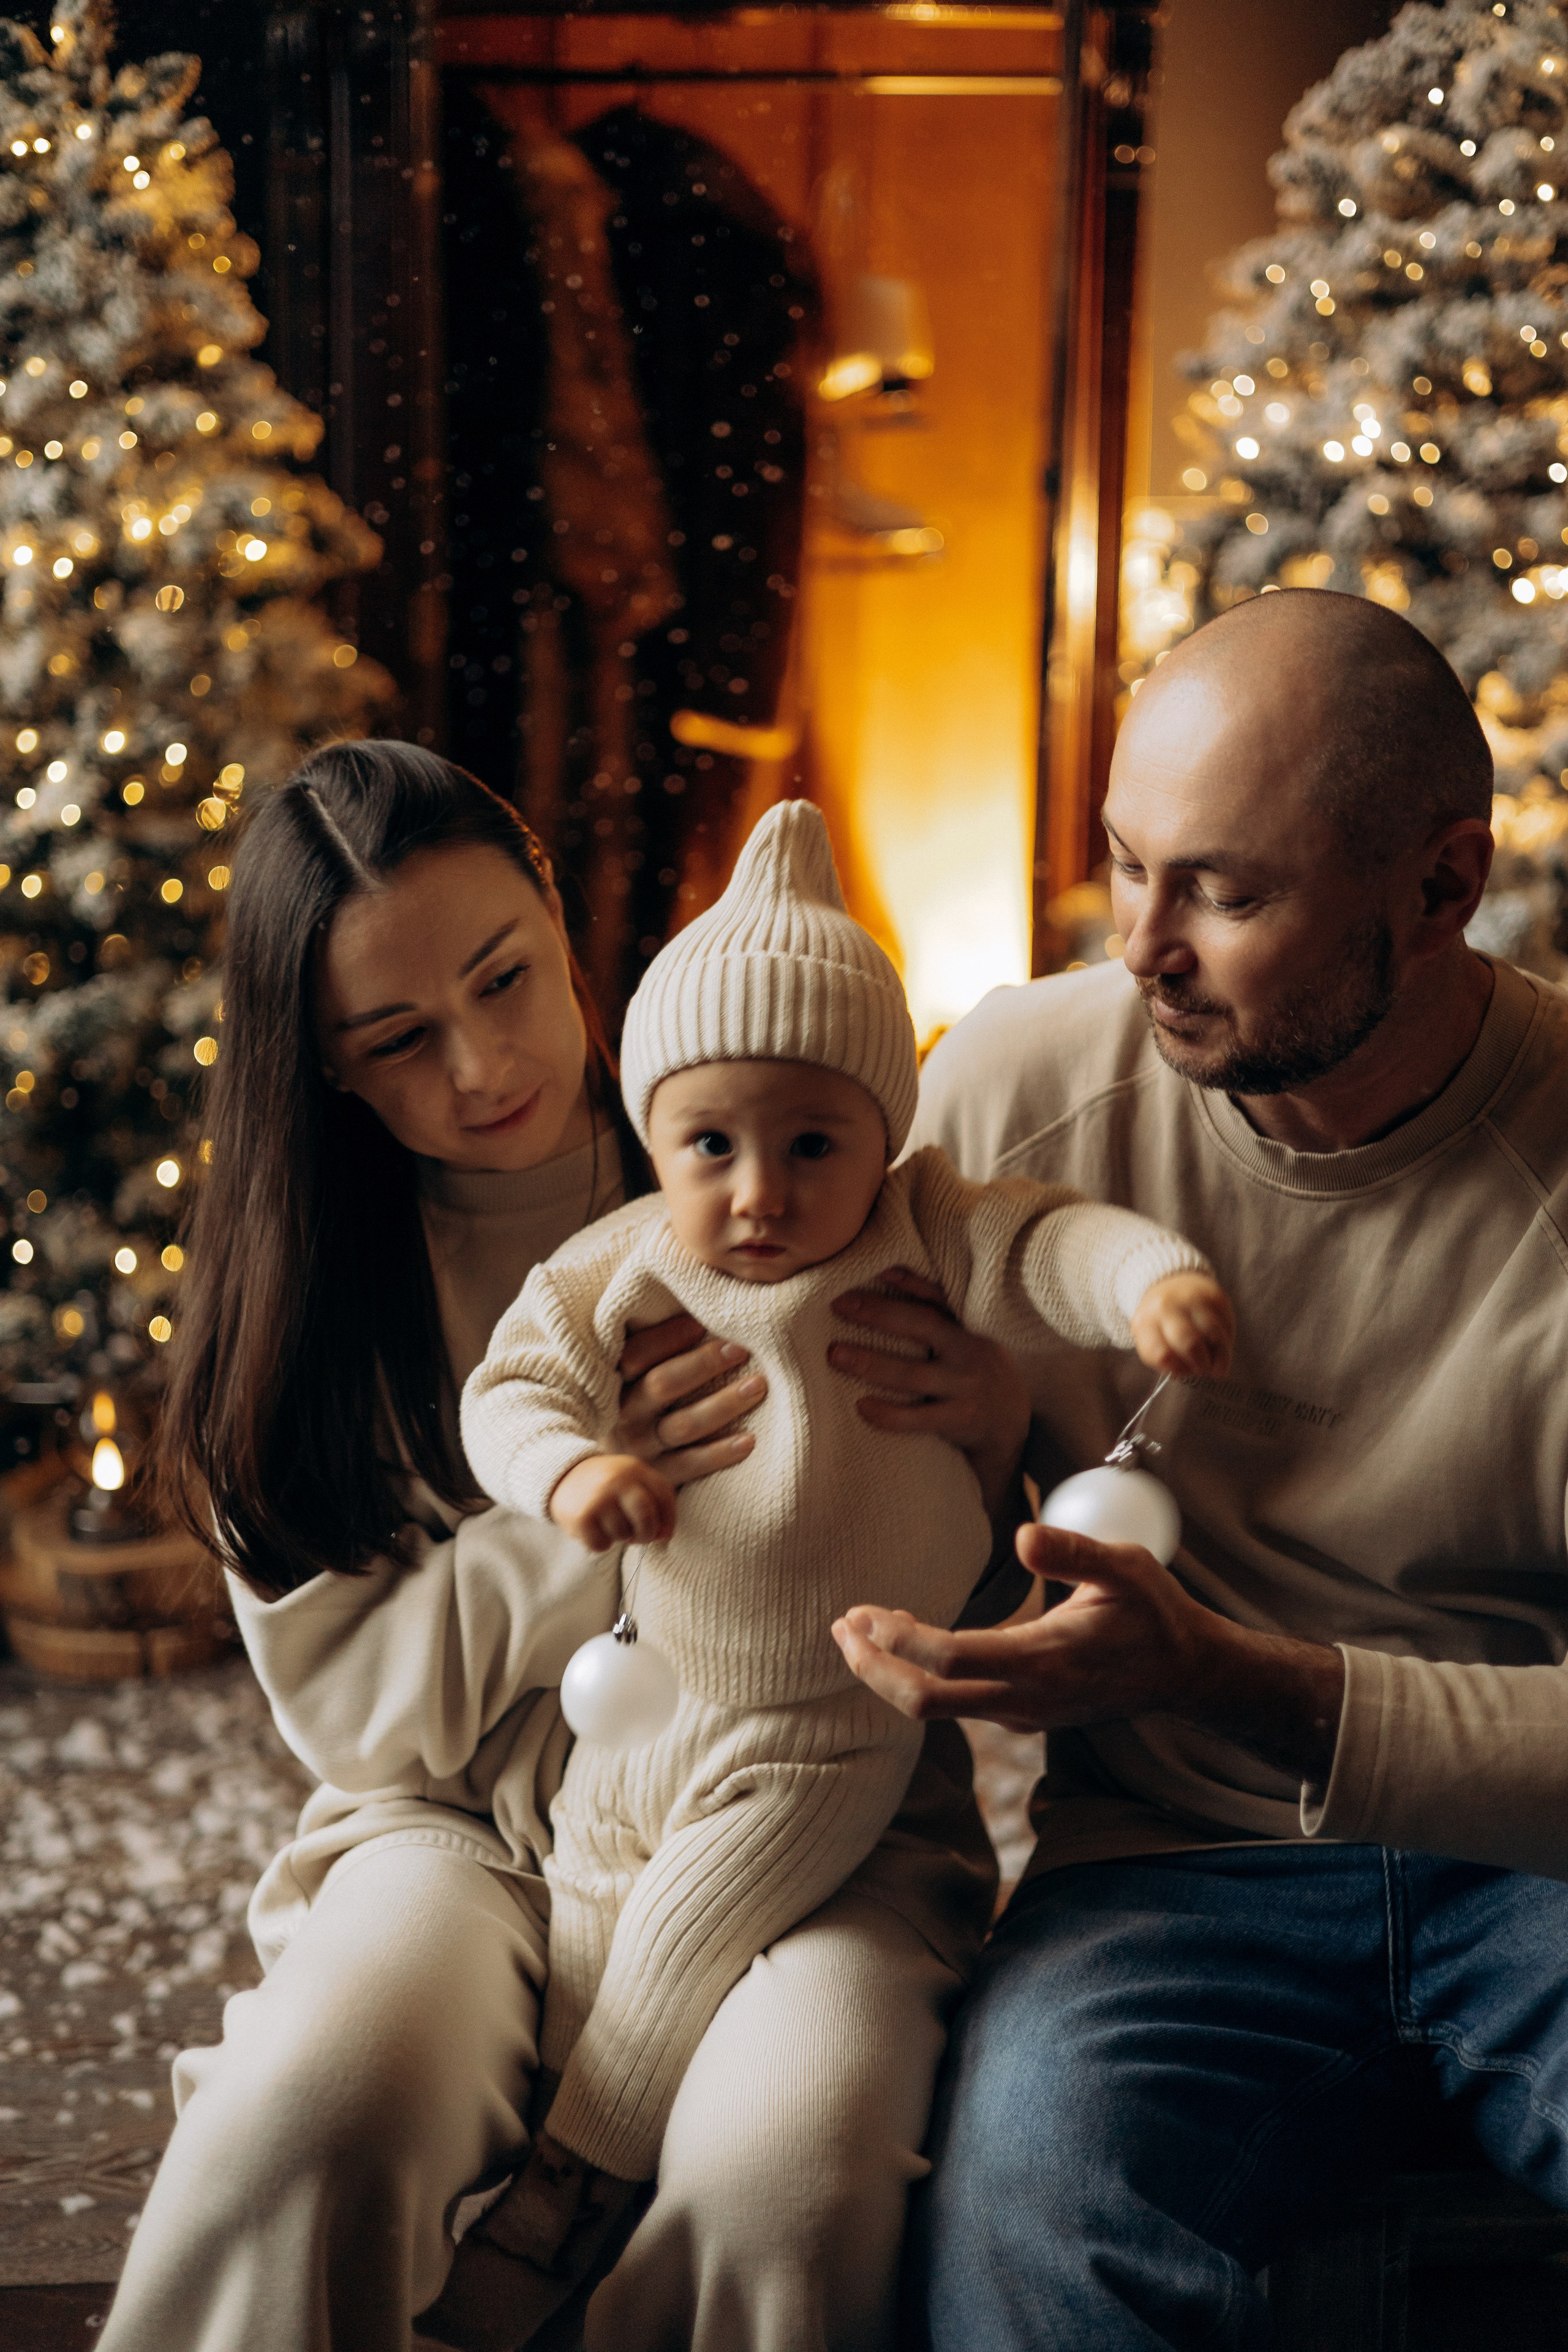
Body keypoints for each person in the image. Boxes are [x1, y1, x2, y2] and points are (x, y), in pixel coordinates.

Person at [97, 743, 1026, 2352]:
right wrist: (597, 1508)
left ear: (559, 911)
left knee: (786, 2178)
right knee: (314, 2113)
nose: (482, 1064)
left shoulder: (783, 1138)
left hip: (809, 1810)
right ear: (321, 1069)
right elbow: (365, 1720)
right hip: (452, 1823)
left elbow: (976, 1580)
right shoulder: (306, 1303)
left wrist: (996, 1420)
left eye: (504, 977)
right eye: (397, 1040)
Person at [831, 586, 1568, 2350]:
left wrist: (1239, 1678)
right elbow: (846, 1493)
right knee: (1027, 2207)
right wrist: (975, 1465)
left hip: (1535, 1867)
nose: (1141, 942)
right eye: (1124, 862)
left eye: (1225, 893)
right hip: (1156, 1872)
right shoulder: (1019, 1088)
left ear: (1441, 890)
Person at [445, 799, 1229, 2331]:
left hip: (836, 1711)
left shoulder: (922, 1231)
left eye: (814, 1143)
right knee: (600, 1922)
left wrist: (1155, 1283)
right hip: (659, 1705)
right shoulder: (623, 1261)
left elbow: (1056, 1240)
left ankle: (560, 2206)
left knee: (681, 1938)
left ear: (884, 1131)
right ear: (652, 1133)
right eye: (709, 1146)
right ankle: (621, 2164)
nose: (760, 1191)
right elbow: (509, 1388)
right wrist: (574, 1468)